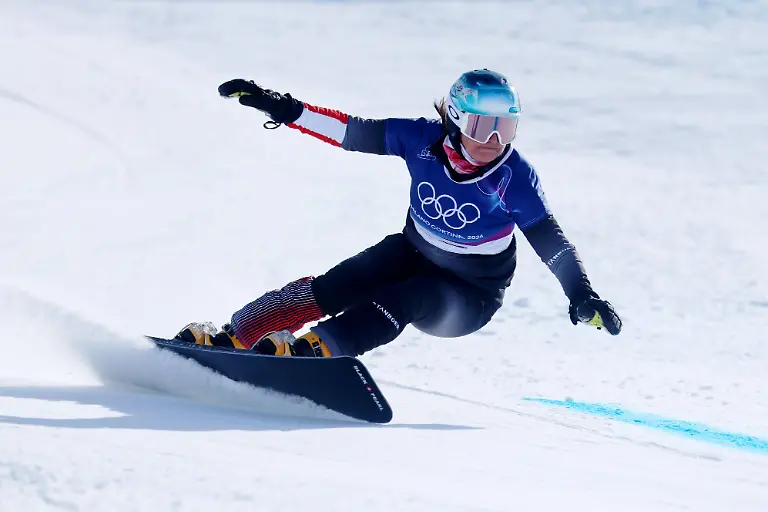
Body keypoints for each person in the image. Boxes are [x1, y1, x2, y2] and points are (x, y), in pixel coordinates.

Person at [175, 69, 622, 358]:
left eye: (505, 128)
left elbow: (552, 242)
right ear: (455, 118)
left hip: (470, 295)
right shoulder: (420, 139)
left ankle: (314, 353)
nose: (494, 141)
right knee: (335, 285)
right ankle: (235, 336)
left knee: (405, 298)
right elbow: (349, 132)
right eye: (482, 126)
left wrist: (581, 293)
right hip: (413, 252)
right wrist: (284, 107)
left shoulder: (514, 176)